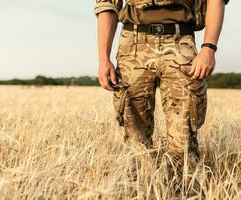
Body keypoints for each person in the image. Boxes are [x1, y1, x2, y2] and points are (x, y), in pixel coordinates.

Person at [94, 0, 228, 166]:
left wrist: (209, 48)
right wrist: (103, 58)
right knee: (135, 138)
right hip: (133, 45)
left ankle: (186, 189)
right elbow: (107, 5)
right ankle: (141, 187)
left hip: (180, 42)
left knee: (184, 138)